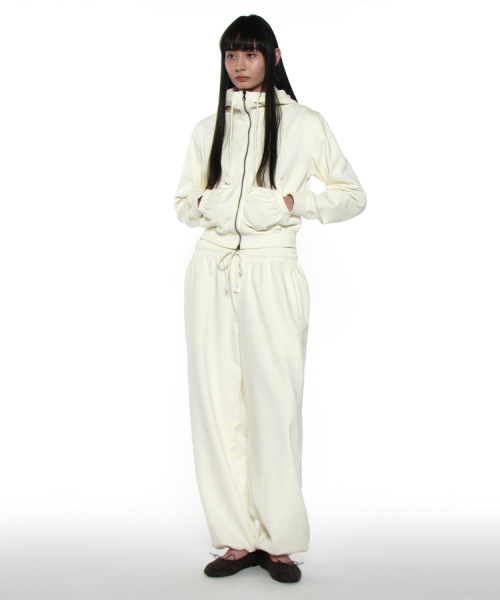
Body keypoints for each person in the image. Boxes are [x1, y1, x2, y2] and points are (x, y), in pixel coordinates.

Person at [173, 14, 367, 584]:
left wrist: (292, 204)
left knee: (275, 405)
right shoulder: (208, 128)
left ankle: (278, 542)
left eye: (250, 53)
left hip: (272, 269)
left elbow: (352, 195)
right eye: (231, 54)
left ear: (274, 56)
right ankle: (237, 538)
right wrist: (205, 206)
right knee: (217, 407)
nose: (239, 64)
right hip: (211, 269)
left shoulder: (305, 123)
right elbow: (182, 202)